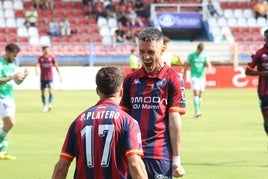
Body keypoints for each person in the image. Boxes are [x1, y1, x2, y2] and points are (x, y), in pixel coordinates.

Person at [52, 66, 148, 179]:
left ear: (97, 90)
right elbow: (134, 164)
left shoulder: (79, 121)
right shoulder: (128, 121)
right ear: (121, 92)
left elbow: (61, 167)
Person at [120, 27, 186, 178]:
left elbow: (174, 120)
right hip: (132, 154)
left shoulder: (173, 79)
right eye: (142, 52)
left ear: (162, 50)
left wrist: (176, 160)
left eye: (150, 52)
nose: (145, 57)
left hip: (159, 156)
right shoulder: (130, 80)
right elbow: (123, 119)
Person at [0, 43, 29, 159]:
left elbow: (16, 82)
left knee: (7, 126)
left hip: (10, 97)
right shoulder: (0, 63)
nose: (15, 58)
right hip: (1, 97)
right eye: (14, 55)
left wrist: (24, 76)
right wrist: (12, 77)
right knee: (10, 123)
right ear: (7, 52)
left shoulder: (12, 64)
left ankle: (4, 151)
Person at [245, 29, 268, 137]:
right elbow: (247, 71)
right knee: (267, 120)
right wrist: (262, 73)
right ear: (265, 38)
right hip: (264, 92)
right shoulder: (260, 54)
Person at [183, 43, 212, 118]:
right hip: (194, 77)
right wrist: (184, 73)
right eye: (199, 51)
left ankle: (198, 109)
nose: (200, 52)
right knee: (196, 93)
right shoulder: (191, 55)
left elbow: (208, 63)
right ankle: (197, 111)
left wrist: (209, 67)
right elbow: (186, 64)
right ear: (197, 49)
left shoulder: (204, 54)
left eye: (201, 51)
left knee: (200, 95)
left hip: (202, 77)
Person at [35, 46, 61, 112]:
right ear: (43, 50)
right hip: (42, 78)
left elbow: (56, 66)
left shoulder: (51, 57)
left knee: (50, 91)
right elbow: (37, 65)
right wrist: (36, 70)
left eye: (48, 50)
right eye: (45, 50)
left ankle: (50, 104)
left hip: (50, 78)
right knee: (42, 92)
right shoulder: (40, 58)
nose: (46, 51)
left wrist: (60, 75)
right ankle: (44, 105)